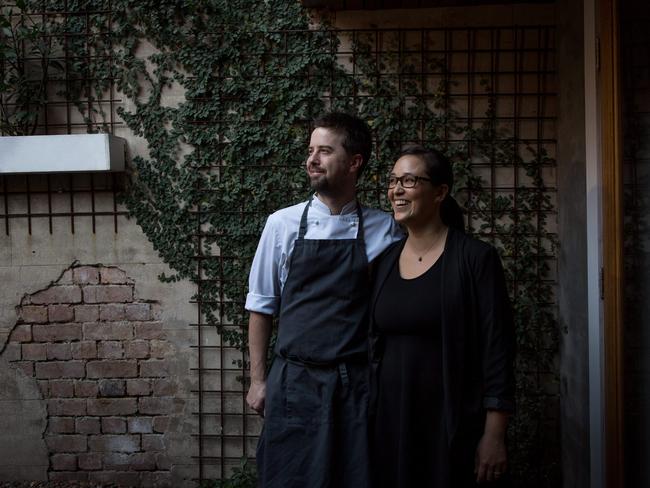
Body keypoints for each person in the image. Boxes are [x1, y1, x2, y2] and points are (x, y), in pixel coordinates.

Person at [245, 112, 403, 488]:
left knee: (356, 476)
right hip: (294, 382)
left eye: (325, 151)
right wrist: (258, 381)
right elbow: (261, 306)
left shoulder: (387, 229)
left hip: (355, 385)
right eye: (310, 150)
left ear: (354, 162)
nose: (311, 160)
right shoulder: (281, 224)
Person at [369, 145, 515, 487]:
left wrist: (494, 435)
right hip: (390, 422)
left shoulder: (475, 259)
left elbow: (498, 349)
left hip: (451, 426)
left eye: (409, 180)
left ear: (441, 192)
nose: (396, 190)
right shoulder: (383, 263)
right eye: (393, 181)